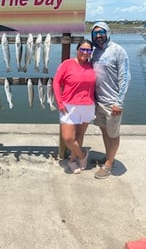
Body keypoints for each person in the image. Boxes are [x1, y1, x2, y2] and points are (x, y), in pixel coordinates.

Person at [91, 22, 130, 179]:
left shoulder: (118, 51)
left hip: (112, 102)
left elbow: (125, 78)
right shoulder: (94, 52)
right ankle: (109, 157)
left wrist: (119, 102)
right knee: (104, 130)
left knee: (113, 133)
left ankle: (108, 164)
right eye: (95, 33)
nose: (98, 36)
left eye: (101, 32)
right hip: (98, 101)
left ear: (107, 32)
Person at [53, 39, 96, 174]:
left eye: (88, 50)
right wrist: (59, 102)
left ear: (91, 52)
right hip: (69, 106)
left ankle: (72, 160)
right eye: (82, 49)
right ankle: (83, 155)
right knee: (68, 138)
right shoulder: (67, 64)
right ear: (77, 50)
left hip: (88, 105)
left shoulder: (92, 65)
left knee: (79, 135)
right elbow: (56, 82)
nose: (85, 52)